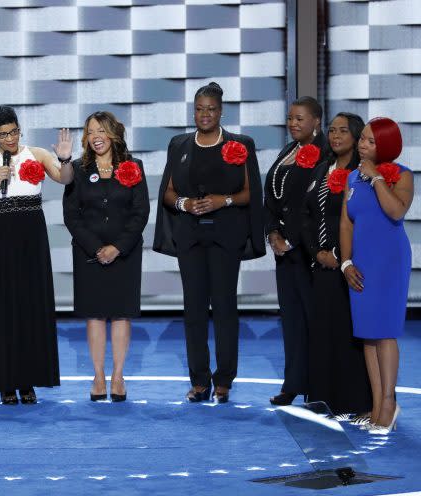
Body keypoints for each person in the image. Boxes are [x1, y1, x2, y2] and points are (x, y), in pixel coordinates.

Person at [153, 82, 265, 404]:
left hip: (225, 237)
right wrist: (184, 205)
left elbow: (249, 193)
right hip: (190, 237)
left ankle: (224, 380)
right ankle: (200, 381)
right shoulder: (179, 144)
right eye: (200, 109)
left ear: (221, 111)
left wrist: (222, 201)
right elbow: (168, 192)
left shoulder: (240, 145)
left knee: (225, 308)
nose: (205, 114)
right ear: (194, 110)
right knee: (194, 310)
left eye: (211, 109)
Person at [0, 105, 73, 404]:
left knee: (31, 305)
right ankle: (5, 380)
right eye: (3, 134)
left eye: (14, 131)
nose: (10, 139)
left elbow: (65, 178)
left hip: (31, 235)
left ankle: (29, 380)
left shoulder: (37, 154)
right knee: (1, 308)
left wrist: (65, 158)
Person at [63, 111, 149, 402]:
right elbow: (72, 215)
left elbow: (140, 213)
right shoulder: (78, 168)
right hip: (90, 253)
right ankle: (98, 376)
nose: (95, 137)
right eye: (90, 132)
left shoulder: (133, 166)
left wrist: (118, 247)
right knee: (96, 314)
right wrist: (96, 248)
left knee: (122, 313)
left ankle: (118, 376)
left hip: (125, 253)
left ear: (113, 133)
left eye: (101, 130)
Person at [340, 117, 411, 434]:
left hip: (389, 262)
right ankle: (376, 402)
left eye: (369, 141)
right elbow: (346, 223)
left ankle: (388, 403)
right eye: (363, 140)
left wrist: (377, 179)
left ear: (385, 145)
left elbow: (396, 211)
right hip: (361, 263)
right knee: (368, 334)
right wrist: (346, 263)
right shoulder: (352, 177)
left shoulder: (402, 175)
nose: (362, 145)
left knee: (384, 332)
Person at [302, 112, 372, 416]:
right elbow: (306, 216)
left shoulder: (364, 173)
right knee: (322, 332)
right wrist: (316, 251)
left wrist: (340, 255)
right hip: (320, 264)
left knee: (349, 333)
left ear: (356, 137)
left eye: (343, 131)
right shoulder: (321, 170)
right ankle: (323, 397)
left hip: (351, 264)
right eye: (332, 130)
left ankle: (354, 400)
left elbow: (366, 221)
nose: (335, 136)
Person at [264, 96, 327, 406]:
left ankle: (318, 386)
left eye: (300, 118)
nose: (293, 123)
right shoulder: (288, 151)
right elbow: (273, 198)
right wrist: (273, 233)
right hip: (283, 252)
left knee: (313, 320)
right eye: (290, 118)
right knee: (291, 320)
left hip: (308, 251)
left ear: (316, 121)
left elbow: (314, 206)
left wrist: (293, 240)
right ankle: (293, 382)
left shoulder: (325, 154)